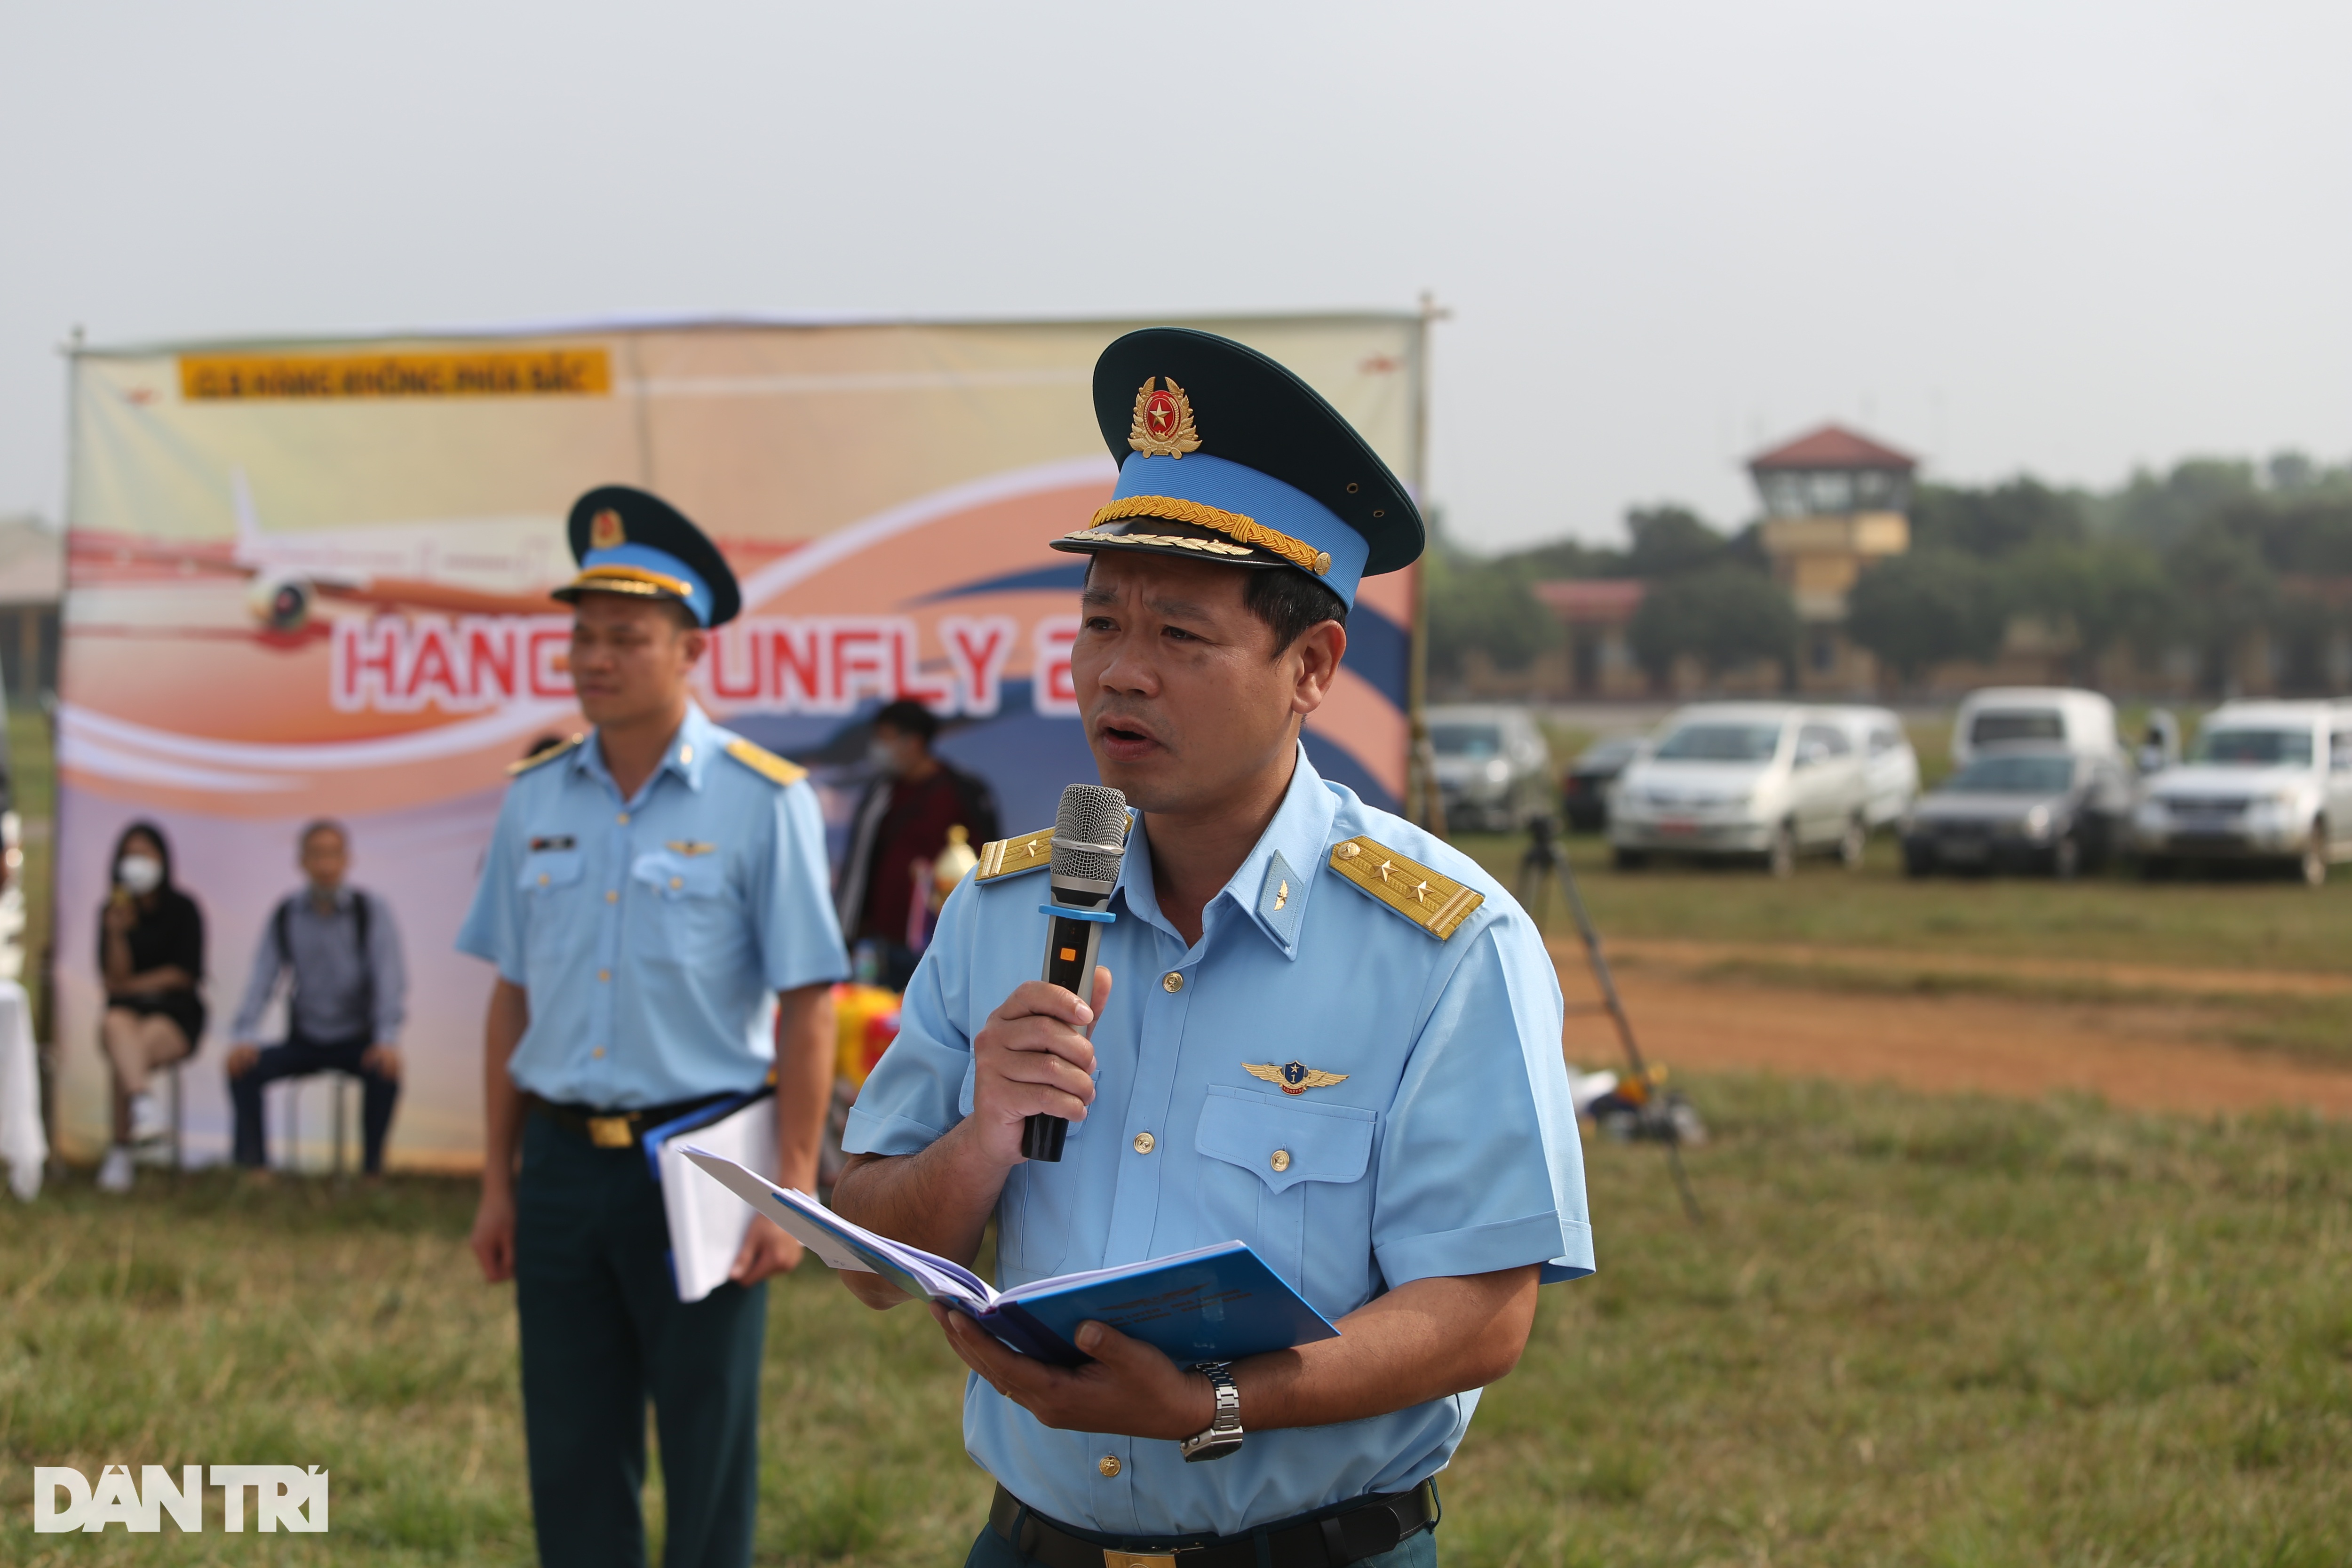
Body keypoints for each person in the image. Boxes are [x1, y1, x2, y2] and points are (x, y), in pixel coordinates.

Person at [833, 329, 1593, 1566]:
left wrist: (1217, 1404)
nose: (1120, 673)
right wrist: (977, 1141)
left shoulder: (1447, 946)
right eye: (1099, 622)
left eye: (1181, 636)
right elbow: (868, 1247)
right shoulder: (1004, 910)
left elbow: (1482, 1312)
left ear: (1313, 665)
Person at [457, 485, 850, 1568]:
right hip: (561, 1166)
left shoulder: (760, 799)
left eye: (625, 638)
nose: (595, 658)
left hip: (705, 1161)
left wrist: (797, 1185)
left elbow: (808, 997)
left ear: (690, 653)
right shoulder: (535, 798)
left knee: (706, 1440)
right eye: (583, 636)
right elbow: (511, 996)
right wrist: (499, 1180)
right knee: (571, 1448)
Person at [224, 819, 409, 1177]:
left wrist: (388, 1038)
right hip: (306, 1038)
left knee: (387, 1070)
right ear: (302, 861)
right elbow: (262, 979)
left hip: (358, 1039)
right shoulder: (286, 914)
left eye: (333, 855)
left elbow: (391, 980)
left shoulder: (369, 911)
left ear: (347, 860)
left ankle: (372, 1171)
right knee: (243, 1067)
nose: (326, 865)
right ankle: (255, 1170)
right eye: (317, 855)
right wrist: (244, 1034)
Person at [834, 697, 1001, 990]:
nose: (877, 749)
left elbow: (990, 862)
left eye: (884, 739)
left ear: (913, 743)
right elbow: (860, 867)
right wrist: (852, 931)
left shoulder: (963, 792)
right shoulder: (881, 793)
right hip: (884, 943)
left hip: (943, 942)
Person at [95, 820, 206, 1194]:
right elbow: (113, 977)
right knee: (116, 1025)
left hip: (174, 1014)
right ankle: (143, 1104)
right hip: (125, 1014)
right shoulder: (114, 911)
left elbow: (184, 973)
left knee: (129, 1052)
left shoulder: (183, 909)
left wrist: (133, 986)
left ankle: (121, 1150)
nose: (136, 863)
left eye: (144, 854)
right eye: (130, 855)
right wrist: (116, 934)